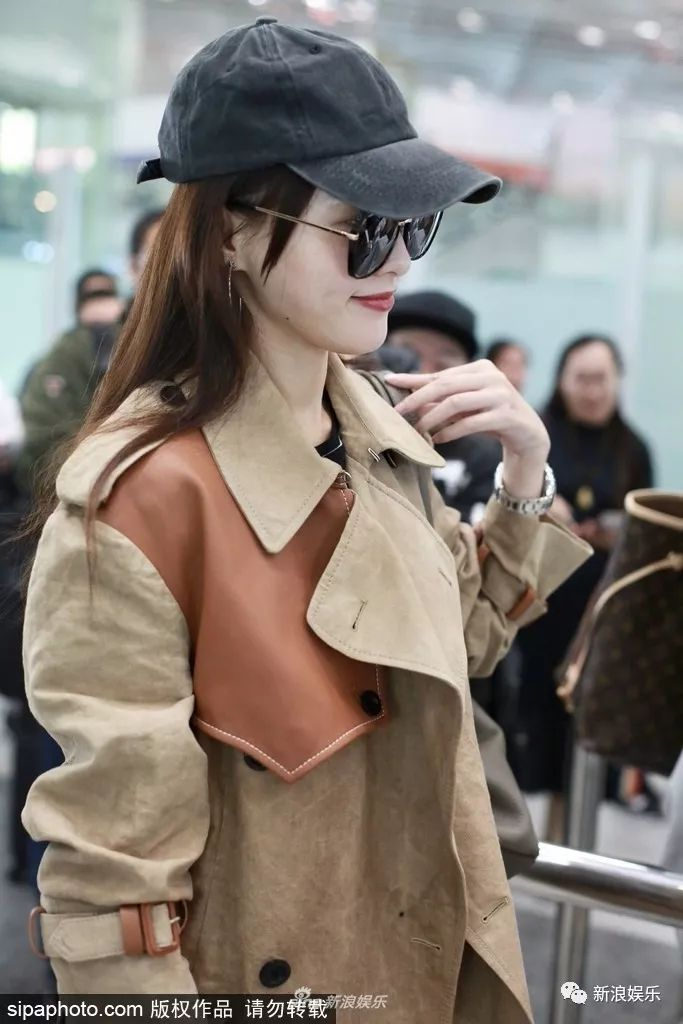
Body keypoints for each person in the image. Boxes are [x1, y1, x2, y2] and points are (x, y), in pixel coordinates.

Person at [20, 19, 590, 1019]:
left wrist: (522, 475)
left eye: (414, 224)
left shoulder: (379, 440)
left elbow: (456, 644)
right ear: (231, 233)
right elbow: (114, 901)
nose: (396, 260)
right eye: (362, 227)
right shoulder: (140, 504)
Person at [512, 334, 654, 841]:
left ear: (617, 382)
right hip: (540, 606)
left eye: (601, 380)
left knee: (589, 735)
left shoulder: (633, 447)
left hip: (601, 612)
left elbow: (646, 525)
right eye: (582, 379)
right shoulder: (537, 431)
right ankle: (530, 845)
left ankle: (574, 844)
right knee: (534, 734)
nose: (592, 391)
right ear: (562, 380)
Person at [15, 211, 163, 497]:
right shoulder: (84, 348)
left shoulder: (227, 352)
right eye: (160, 255)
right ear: (134, 267)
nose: (179, 268)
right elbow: (41, 450)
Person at [387, 290, 501, 523]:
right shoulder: (340, 427)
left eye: (444, 365)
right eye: (407, 357)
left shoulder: (482, 454)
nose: (425, 373)